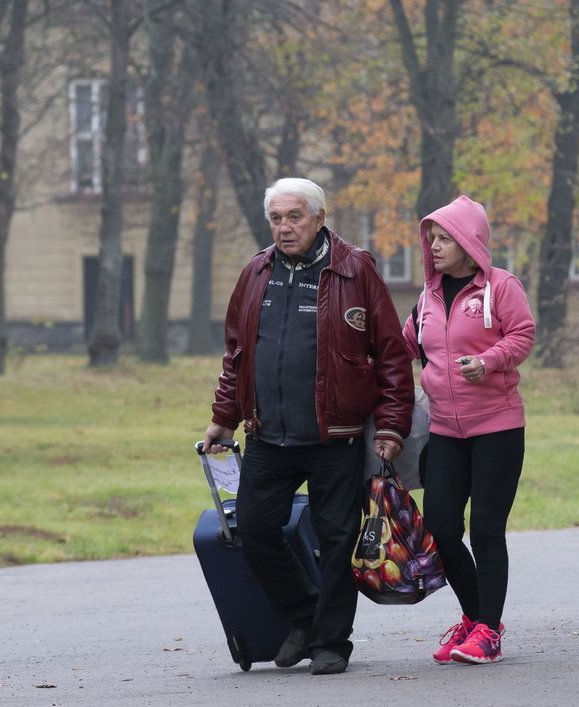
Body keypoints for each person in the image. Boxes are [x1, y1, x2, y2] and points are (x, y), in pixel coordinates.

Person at [202, 177, 413, 675]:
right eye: (276, 218)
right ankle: (304, 616)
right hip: (268, 436)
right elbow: (236, 356)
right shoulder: (255, 272)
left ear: (319, 217)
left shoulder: (354, 270)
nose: (284, 227)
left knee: (337, 537)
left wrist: (391, 425)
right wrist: (222, 418)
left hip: (334, 437)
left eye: (294, 217)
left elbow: (391, 356)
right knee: (252, 529)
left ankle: (332, 643)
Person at [401, 195, 536, 665]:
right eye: (431, 239)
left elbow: (522, 335)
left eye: (443, 239)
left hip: (496, 428)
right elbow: (403, 346)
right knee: (439, 525)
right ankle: (478, 620)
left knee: (486, 531)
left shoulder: (501, 287)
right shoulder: (427, 298)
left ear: (468, 242)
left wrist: (488, 362)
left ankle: (486, 633)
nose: (434, 247)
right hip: (444, 431)